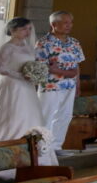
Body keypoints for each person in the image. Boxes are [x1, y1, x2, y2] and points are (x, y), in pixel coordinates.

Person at [0, 17, 57, 167]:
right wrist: (21, 75)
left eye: (29, 29)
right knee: (9, 116)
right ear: (13, 30)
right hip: (11, 86)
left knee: (29, 116)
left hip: (27, 88)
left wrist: (35, 73)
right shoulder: (7, 47)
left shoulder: (28, 47)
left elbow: (31, 63)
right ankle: (2, 152)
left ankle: (33, 152)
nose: (28, 32)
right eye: (24, 29)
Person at [36, 9, 84, 153]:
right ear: (54, 24)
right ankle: (41, 148)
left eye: (70, 22)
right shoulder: (43, 43)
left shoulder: (74, 43)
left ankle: (56, 147)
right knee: (46, 116)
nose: (69, 25)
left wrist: (78, 84)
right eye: (65, 23)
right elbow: (40, 66)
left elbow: (77, 65)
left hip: (69, 86)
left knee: (64, 116)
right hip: (50, 85)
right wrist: (56, 71)